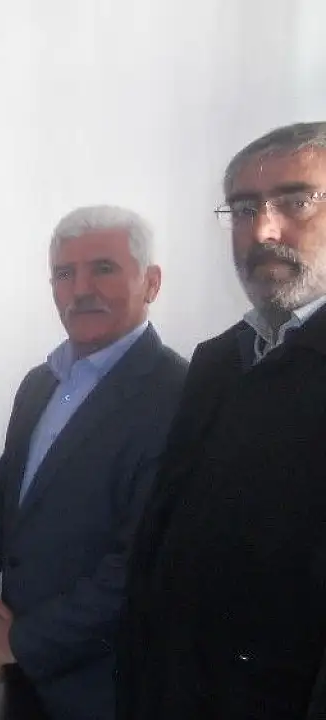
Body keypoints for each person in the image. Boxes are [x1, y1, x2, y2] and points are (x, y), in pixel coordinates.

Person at [120, 121, 326, 719]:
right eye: (243, 209)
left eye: (296, 201)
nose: (262, 231)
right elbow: (163, 548)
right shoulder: (218, 361)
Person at [0, 207, 186, 720]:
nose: (80, 289)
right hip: (16, 674)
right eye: (64, 273)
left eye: (103, 268)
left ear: (151, 282)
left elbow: (140, 563)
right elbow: (1, 493)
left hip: (103, 686)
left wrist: (24, 640)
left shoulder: (178, 395)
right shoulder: (41, 382)